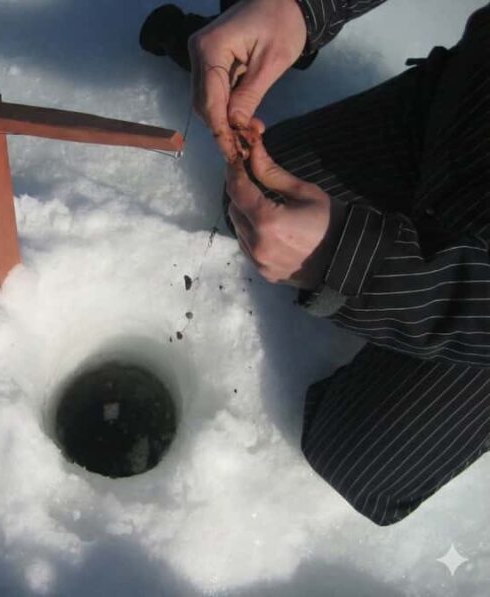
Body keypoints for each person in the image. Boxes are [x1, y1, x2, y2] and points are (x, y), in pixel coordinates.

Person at [140, 0, 490, 525]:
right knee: (254, 198)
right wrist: (298, 9)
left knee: (363, 459)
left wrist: (350, 258)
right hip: (470, 111)